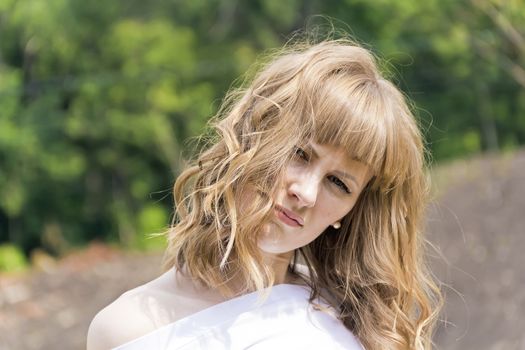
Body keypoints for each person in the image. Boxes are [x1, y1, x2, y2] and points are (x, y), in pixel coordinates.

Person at [87, 38, 442, 350]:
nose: (304, 193)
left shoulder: (357, 324)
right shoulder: (126, 330)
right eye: (300, 154)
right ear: (251, 138)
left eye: (338, 183)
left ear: (349, 213)